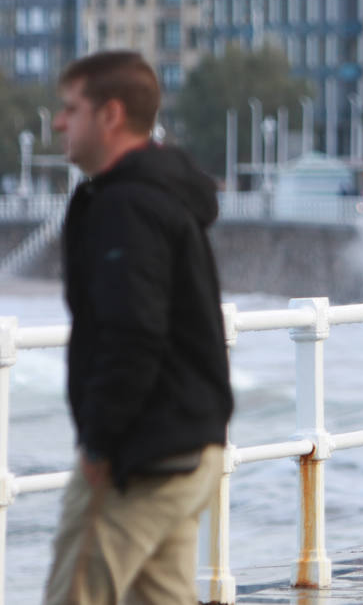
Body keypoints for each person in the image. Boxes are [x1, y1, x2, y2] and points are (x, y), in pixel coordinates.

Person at [43, 51, 233, 605]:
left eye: (70, 108)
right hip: (189, 442)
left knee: (74, 594)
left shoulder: (126, 205)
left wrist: (100, 445)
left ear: (111, 115)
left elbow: (133, 335)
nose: (58, 122)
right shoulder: (159, 193)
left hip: (141, 455)